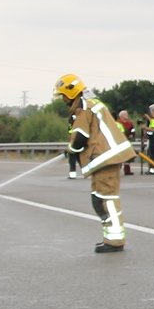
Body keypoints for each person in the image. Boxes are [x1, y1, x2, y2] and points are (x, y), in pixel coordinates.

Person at [54, 73, 133, 254]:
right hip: (103, 159)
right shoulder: (91, 104)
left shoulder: (84, 107)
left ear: (71, 93)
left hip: (105, 158)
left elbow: (80, 137)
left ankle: (115, 240)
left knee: (106, 200)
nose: (62, 100)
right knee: (99, 199)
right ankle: (111, 238)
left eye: (63, 96)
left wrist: (71, 149)